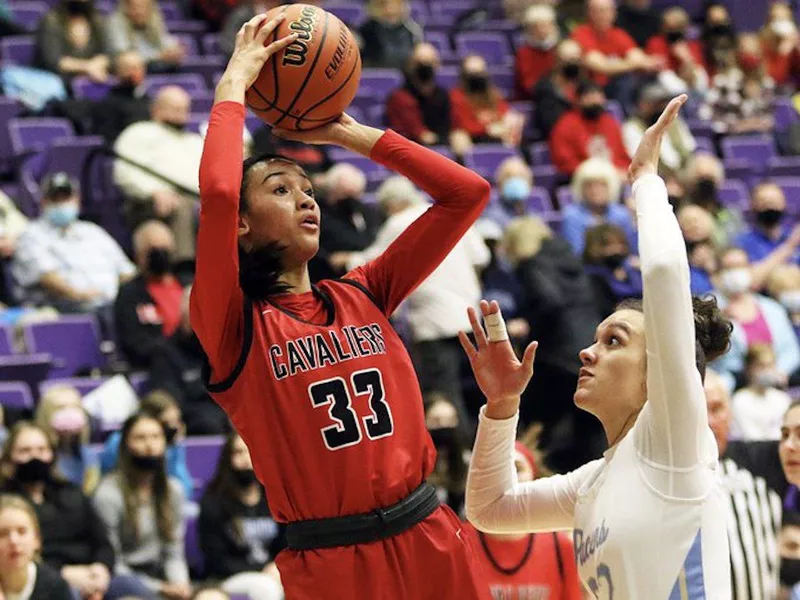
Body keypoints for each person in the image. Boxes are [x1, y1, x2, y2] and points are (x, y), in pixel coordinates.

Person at [190, 13, 492, 600]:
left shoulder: (363, 292)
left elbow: (467, 194)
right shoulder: (233, 325)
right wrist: (233, 85)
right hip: (331, 558)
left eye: (308, 190)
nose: (306, 200)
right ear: (242, 226)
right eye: (281, 189)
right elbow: (221, 192)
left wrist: (351, 135)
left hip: (428, 530)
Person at [462, 95, 734, 596]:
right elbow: (489, 510)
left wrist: (645, 179)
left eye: (614, 341)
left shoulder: (671, 443)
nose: (588, 353)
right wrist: (501, 408)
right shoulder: (593, 481)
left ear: (658, 368)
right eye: (595, 340)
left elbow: (665, 271)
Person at [0, 422, 152, 600]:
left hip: (93, 573)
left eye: (42, 450)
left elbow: (102, 540)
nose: (35, 457)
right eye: (26, 451)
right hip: (50, 576)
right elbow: (21, 553)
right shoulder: (8, 506)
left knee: (132, 587)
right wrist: (65, 573)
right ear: (10, 457)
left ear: (52, 454)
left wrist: (100, 568)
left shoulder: (72, 492)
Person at [464, 441, 582, 599]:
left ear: (535, 479)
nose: (508, 478)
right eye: (497, 471)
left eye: (517, 468)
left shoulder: (561, 545)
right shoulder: (460, 541)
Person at [93, 413, 191, 600]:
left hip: (163, 578)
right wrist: (159, 588)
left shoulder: (173, 491)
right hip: (124, 581)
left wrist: (180, 584)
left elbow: (174, 553)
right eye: (140, 438)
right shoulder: (108, 494)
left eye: (156, 437)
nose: (149, 445)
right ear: (126, 445)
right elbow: (112, 561)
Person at [707, 370, 786, 600]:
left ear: (730, 413)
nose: (708, 422)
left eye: (716, 409)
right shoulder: (661, 478)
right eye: (696, 411)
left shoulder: (761, 460)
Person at [11, 172, 136, 313]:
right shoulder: (32, 235)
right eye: (55, 199)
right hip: (69, 308)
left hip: (113, 306)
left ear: (77, 200)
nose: (61, 204)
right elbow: (48, 279)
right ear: (43, 202)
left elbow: (126, 271)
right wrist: (81, 296)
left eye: (66, 198)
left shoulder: (93, 231)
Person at [114, 86, 204, 262]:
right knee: (182, 206)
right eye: (175, 108)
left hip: (197, 197)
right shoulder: (139, 132)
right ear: (156, 109)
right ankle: (183, 267)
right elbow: (124, 172)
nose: (181, 113)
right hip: (149, 201)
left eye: (184, 108)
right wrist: (153, 191)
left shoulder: (193, 141)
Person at [199, 432, 284, 600]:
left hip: (273, 571)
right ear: (227, 459)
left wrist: (277, 566)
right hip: (228, 577)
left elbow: (287, 544)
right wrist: (262, 569)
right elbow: (217, 559)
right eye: (238, 453)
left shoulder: (275, 496)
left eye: (250, 452)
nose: (246, 460)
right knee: (266, 587)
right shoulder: (213, 501)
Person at [712, 247, 800, 393]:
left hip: (774, 387)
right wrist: (717, 322)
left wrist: (779, 372)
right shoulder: (710, 309)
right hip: (733, 388)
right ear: (717, 274)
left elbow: (791, 350)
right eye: (729, 268)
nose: (736, 273)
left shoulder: (772, 308)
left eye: (740, 266)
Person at [99, 391, 193, 500]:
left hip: (160, 497)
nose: (173, 428)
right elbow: (108, 475)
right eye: (166, 423)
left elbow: (183, 483)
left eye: (176, 421)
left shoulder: (173, 442)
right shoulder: (118, 441)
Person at [548, 81, 630, 177]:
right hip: (583, 178)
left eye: (598, 96)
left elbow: (622, 156)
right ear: (578, 100)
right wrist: (596, 173)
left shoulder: (610, 123)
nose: (594, 100)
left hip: (615, 176)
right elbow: (564, 162)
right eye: (589, 97)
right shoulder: (566, 125)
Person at [0, 494, 72, 600]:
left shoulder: (55, 586)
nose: (14, 541)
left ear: (36, 539)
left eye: (22, 531)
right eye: (3, 533)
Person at [561, 157, 635, 255]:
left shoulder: (622, 215)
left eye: (601, 185)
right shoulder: (571, 216)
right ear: (581, 189)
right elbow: (576, 253)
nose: (595, 191)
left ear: (611, 187)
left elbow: (631, 250)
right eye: (589, 186)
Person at [450, 54, 520, 156]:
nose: (477, 77)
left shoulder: (492, 94)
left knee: (513, 120)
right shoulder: (456, 96)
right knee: (459, 138)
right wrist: (488, 129)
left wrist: (505, 125)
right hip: (474, 139)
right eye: (472, 73)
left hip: (496, 137)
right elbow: (464, 125)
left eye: (480, 72)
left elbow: (504, 112)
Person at [386, 43, 452, 147]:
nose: (425, 66)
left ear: (437, 65)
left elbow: (451, 128)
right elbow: (421, 135)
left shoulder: (444, 95)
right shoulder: (399, 97)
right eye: (420, 62)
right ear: (410, 65)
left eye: (429, 62)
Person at [33, 385, 93, 490]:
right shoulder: (39, 454)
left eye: (75, 407)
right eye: (61, 408)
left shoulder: (88, 454)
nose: (70, 413)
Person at [34, 0, 110, 82]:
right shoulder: (52, 20)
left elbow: (108, 54)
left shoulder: (96, 19)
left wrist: (99, 63)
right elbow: (55, 62)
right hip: (59, 81)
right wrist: (87, 67)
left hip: (93, 77)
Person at [731, 344, 792, 441]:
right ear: (749, 368)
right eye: (761, 366)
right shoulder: (739, 401)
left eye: (770, 365)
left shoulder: (783, 399)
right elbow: (751, 437)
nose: (767, 371)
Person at [105, 0, 184, 73]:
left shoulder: (154, 19)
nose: (140, 11)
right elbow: (125, 55)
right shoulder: (116, 23)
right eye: (135, 7)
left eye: (144, 7)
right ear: (126, 8)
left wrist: (173, 50)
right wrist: (158, 56)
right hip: (126, 74)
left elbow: (166, 42)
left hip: (154, 66)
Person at [583, 223, 642, 318]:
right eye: (608, 245)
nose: (617, 249)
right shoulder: (590, 275)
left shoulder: (629, 267)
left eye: (620, 244)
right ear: (593, 248)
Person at [358, 0, 423, 70]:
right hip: (373, 74)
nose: (390, 9)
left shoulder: (411, 29)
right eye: (383, 4)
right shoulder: (366, 30)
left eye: (395, 4)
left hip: (404, 75)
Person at [514, 4, 561, 100]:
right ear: (530, 30)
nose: (542, 30)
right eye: (537, 27)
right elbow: (527, 83)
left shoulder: (560, 49)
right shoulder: (524, 53)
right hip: (536, 96)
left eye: (545, 25)